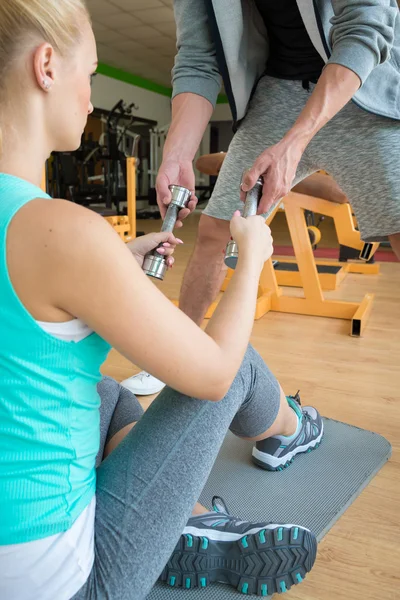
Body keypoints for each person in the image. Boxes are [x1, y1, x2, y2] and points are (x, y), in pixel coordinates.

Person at [0, 1, 324, 598]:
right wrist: (249, 256)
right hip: (70, 585)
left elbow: (18, 304)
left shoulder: (52, 238)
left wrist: (115, 263)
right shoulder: (65, 232)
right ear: (46, 65)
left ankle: (190, 519)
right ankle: (291, 430)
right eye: (90, 73)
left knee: (106, 395)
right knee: (232, 365)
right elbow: (213, 372)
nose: (91, 97)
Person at [129, 0, 400, 395]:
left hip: (359, 84)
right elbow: (197, 58)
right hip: (278, 92)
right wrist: (177, 154)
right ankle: (177, 356)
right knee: (213, 232)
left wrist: (296, 140)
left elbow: (366, 27)